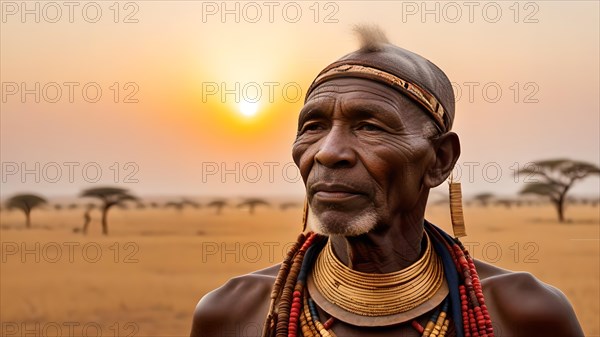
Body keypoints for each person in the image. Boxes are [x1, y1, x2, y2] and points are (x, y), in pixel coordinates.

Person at [190, 26, 584, 337]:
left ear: (440, 160)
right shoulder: (235, 313)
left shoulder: (525, 314)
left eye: (369, 125)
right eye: (314, 125)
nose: (328, 152)